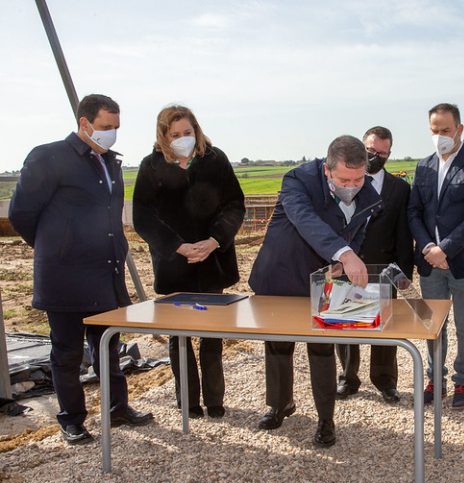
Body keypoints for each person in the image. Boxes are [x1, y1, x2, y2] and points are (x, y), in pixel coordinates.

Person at [8, 94, 154, 444]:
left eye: (116, 128)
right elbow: (21, 214)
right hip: (65, 276)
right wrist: (56, 247)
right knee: (67, 352)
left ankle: (117, 408)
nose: (111, 134)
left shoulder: (110, 163)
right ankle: (72, 419)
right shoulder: (50, 157)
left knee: (109, 345)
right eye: (105, 127)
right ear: (84, 123)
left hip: (105, 273)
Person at [248, 135, 381, 448]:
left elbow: (357, 233)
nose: (352, 185)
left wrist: (344, 260)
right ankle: (279, 404)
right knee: (278, 345)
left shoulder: (371, 195)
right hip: (280, 274)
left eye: (358, 178)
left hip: (322, 280)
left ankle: (325, 420)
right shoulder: (298, 180)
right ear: (327, 170)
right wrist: (344, 253)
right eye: (344, 178)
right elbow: (305, 220)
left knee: (321, 346)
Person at [132, 105, 245, 419]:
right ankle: (188, 402)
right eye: (176, 134)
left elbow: (235, 204)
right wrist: (178, 246)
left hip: (213, 261)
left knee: (212, 335)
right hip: (174, 264)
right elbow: (143, 216)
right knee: (178, 337)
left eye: (187, 132)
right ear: (164, 137)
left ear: (196, 130)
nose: (183, 139)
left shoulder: (215, 159)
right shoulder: (151, 166)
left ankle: (214, 400)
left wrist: (214, 240)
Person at [407, 103, 464, 409]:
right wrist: (429, 247)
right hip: (430, 264)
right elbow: (414, 211)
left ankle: (462, 382)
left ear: (459, 129)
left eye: (445, 130)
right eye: (434, 130)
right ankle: (434, 378)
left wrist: (447, 248)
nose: (440, 136)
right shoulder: (424, 166)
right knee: (433, 326)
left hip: (463, 261)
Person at [335, 126, 413, 404]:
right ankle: (348, 378)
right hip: (347, 264)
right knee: (345, 324)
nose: (376, 156)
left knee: (385, 328)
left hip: (384, 267)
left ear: (390, 153)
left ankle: (385, 381)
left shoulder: (400, 188)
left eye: (382, 152)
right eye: (371, 151)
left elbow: (404, 231)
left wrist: (404, 272)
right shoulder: (343, 181)